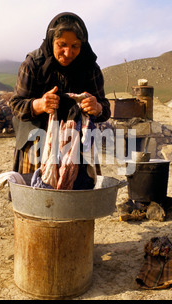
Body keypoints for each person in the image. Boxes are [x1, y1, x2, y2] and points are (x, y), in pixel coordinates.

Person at [9, 12, 110, 189]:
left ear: (82, 45)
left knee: (76, 206)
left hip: (76, 147)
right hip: (36, 145)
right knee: (36, 203)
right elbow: (16, 105)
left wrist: (97, 107)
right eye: (61, 45)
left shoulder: (89, 68)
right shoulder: (33, 64)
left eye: (75, 46)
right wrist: (39, 105)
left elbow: (106, 110)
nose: (68, 52)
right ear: (51, 40)